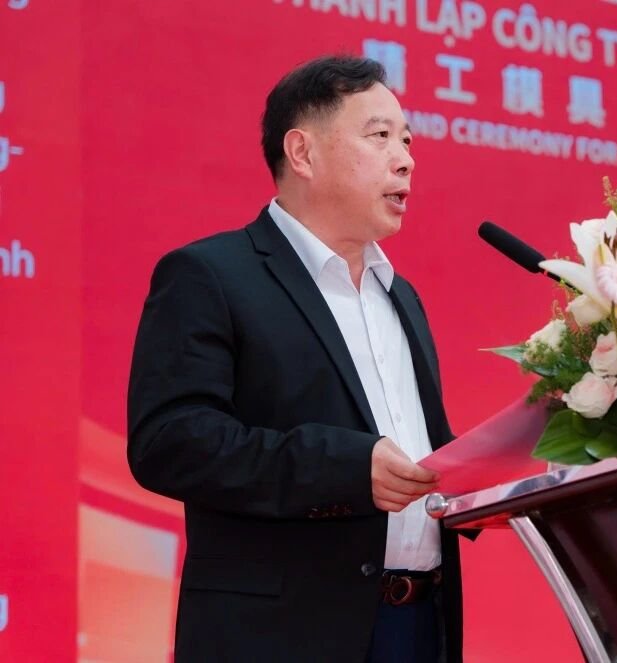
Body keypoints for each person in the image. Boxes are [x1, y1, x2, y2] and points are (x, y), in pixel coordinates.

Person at [127, 55, 466, 663]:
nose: (406, 159)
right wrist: (342, 468)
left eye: (408, 140)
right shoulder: (211, 276)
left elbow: (427, 453)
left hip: (420, 623)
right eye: (380, 136)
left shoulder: (401, 296)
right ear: (302, 153)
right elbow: (169, 443)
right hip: (282, 635)